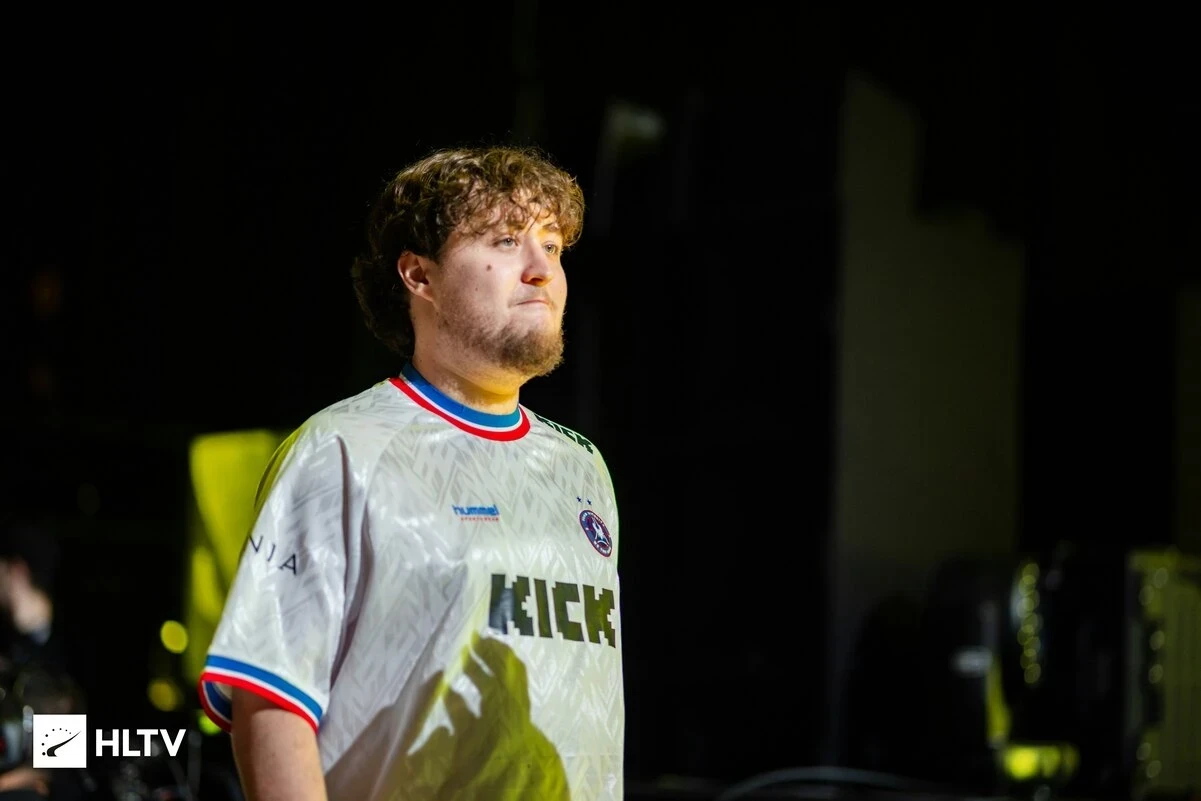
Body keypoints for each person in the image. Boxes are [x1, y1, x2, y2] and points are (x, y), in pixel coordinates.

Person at [198, 145, 624, 800]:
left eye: (552, 245)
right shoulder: (340, 448)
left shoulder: (583, 467)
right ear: (419, 275)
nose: (542, 269)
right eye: (506, 240)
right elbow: (271, 700)